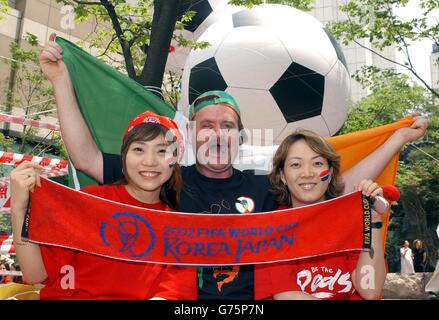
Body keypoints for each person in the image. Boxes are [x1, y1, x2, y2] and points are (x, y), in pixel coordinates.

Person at [39, 33, 428, 299]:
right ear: (191, 137)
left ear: (240, 138)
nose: (218, 134)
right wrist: (60, 80)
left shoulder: (264, 186)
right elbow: (85, 158)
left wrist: (396, 140)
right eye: (207, 126)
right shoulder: (167, 179)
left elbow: (336, 188)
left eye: (227, 126)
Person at [10, 111, 196, 299]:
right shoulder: (87, 202)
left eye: (162, 151)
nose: (149, 161)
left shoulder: (177, 229)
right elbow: (35, 274)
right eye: (139, 149)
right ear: (123, 156)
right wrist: (19, 209)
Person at [254, 130, 387, 300]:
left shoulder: (353, 221)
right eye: (296, 165)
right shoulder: (272, 229)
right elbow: (286, 296)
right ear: (283, 176)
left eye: (317, 164)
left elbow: (370, 291)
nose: (307, 173)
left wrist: (373, 222)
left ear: (330, 173)